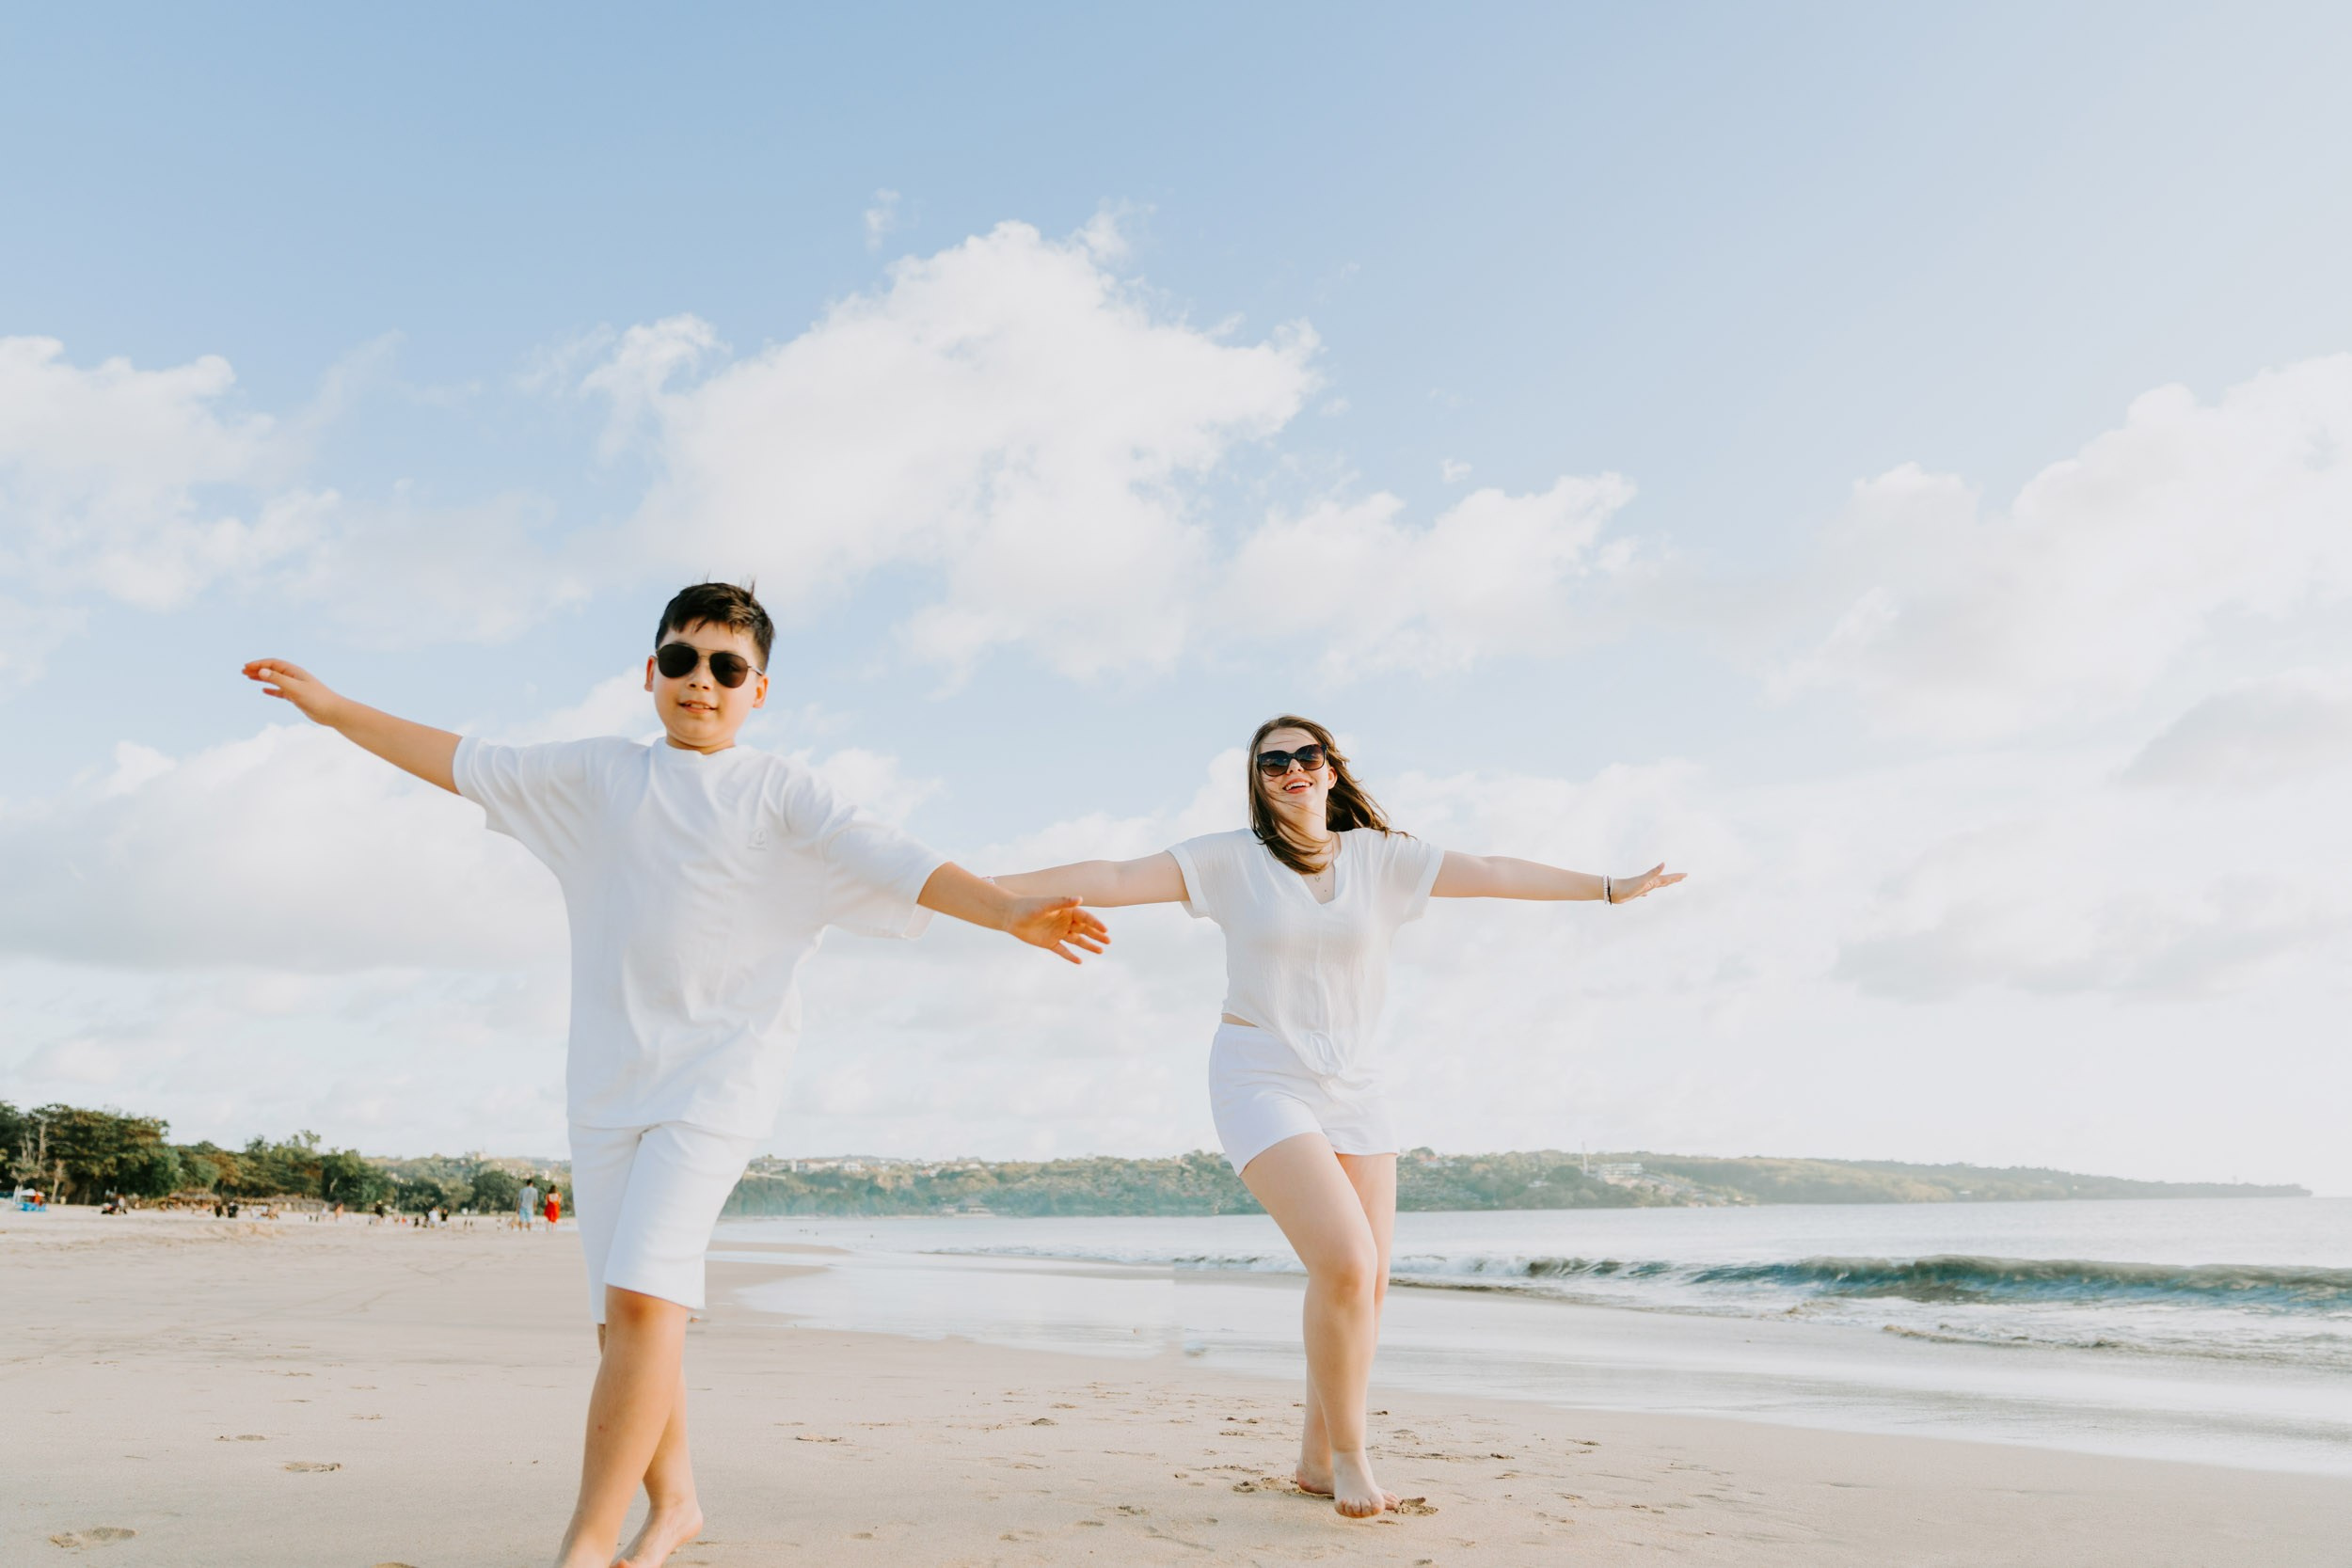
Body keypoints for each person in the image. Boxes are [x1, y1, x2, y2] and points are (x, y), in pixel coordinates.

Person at [244, 579, 1105, 1568]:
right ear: (650, 671)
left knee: (649, 1301)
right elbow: (463, 760)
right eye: (684, 660)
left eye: (727, 667)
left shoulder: (784, 793)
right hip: (607, 1087)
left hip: (719, 1083)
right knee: (626, 1323)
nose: (704, 681)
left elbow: (899, 857)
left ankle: (586, 1540)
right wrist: (334, 707)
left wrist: (1003, 912)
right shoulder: (598, 776)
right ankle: (680, 1503)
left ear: (759, 690)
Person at [993, 715, 1681, 1520]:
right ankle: (1355, 1458)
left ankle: (1316, 1458)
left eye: (1305, 755)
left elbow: (1493, 870)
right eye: (1272, 760)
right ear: (1259, 781)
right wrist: (974, 890)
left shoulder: (1383, 857)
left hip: (1356, 1083)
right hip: (1260, 1072)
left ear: (1330, 769)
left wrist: (1608, 886)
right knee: (1347, 1260)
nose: (1291, 767)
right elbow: (1110, 872)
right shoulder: (1228, 860)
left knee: (1370, 1282)